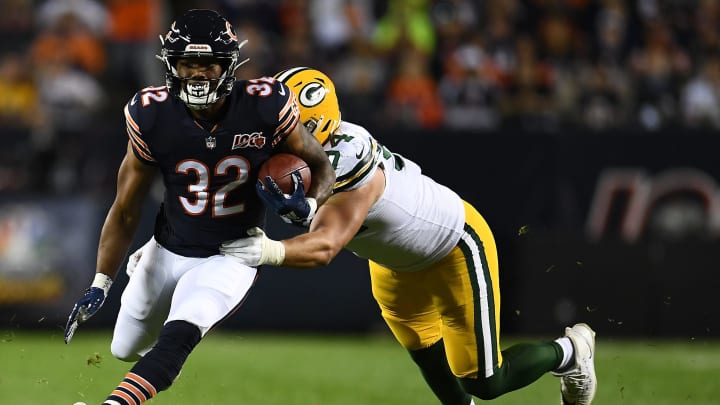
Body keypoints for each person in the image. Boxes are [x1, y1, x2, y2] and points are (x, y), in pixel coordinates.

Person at [220, 67, 597, 405]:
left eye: (286, 123)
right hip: (392, 264)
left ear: (314, 124)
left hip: (452, 246)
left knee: (483, 382)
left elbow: (326, 245)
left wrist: (270, 250)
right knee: (437, 373)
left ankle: (571, 351)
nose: (274, 132)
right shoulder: (301, 156)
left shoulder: (351, 156)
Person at [62, 11, 335, 405]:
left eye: (208, 64)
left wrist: (309, 204)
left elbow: (321, 165)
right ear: (172, 65)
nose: (197, 74)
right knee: (125, 347)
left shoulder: (265, 105)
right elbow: (125, 208)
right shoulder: (150, 113)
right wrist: (101, 281)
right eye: (188, 64)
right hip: (167, 247)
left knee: (179, 336)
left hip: (231, 254)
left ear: (229, 66)